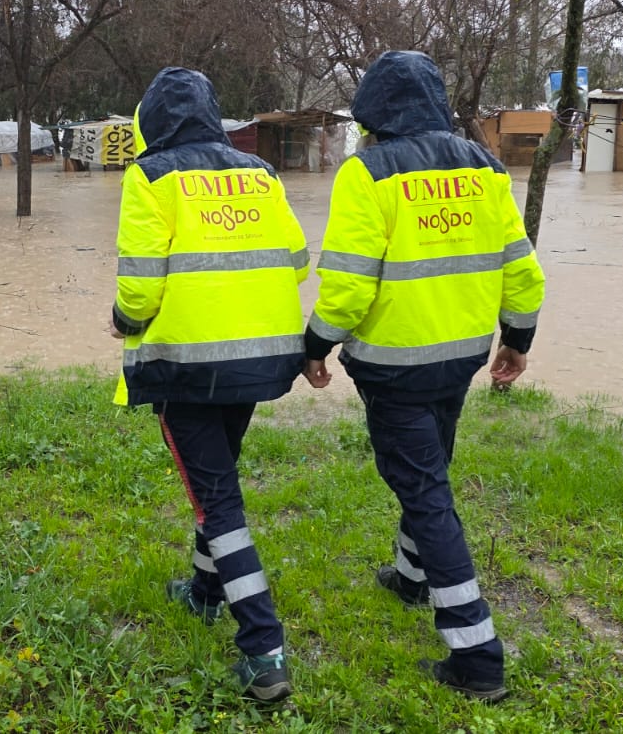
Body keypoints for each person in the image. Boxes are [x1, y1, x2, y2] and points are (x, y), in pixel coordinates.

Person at [302, 50, 545, 702]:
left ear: (373, 111)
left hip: (393, 365)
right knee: (431, 465)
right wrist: (518, 339)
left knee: (423, 490)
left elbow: (349, 285)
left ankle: (476, 655)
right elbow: (521, 269)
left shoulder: (367, 172)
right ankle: (412, 577)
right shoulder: (486, 166)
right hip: (461, 355)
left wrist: (316, 343)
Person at [111, 66, 310, 703]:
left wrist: (124, 320)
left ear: (150, 123)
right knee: (218, 479)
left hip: (186, 367)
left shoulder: (150, 175)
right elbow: (297, 257)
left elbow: (140, 284)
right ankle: (202, 592)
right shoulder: (260, 173)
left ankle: (264, 649)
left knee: (218, 503)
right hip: (259, 359)